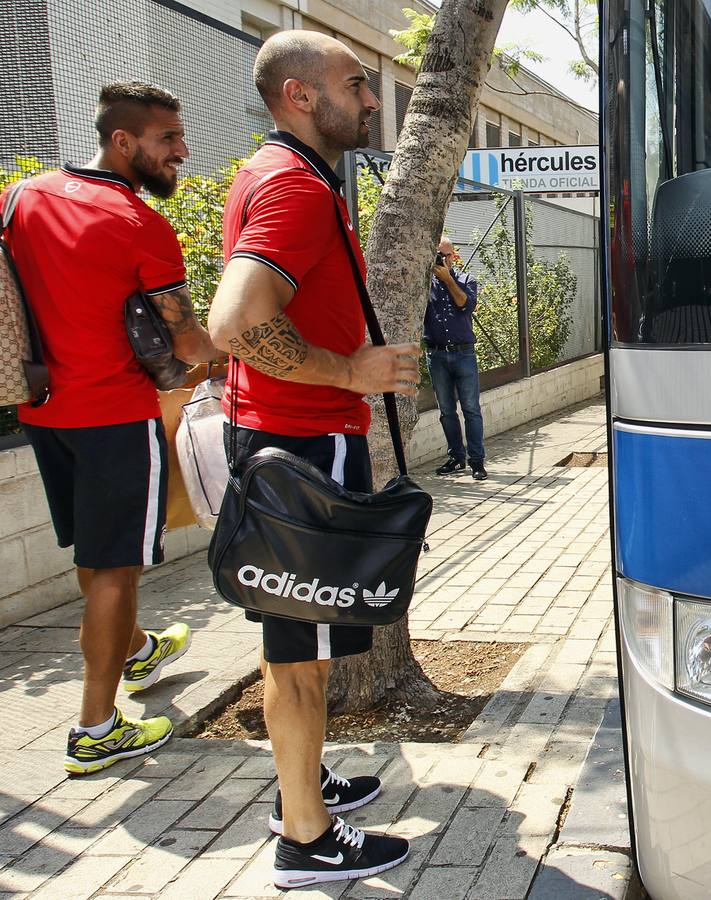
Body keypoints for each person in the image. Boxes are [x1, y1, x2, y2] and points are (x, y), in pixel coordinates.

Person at [206, 31, 418, 889]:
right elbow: (234, 323)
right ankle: (305, 837)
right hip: (301, 446)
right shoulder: (294, 186)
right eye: (356, 85)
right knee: (302, 653)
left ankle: (305, 783)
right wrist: (350, 371)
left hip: (281, 440)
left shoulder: (273, 174)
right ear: (299, 95)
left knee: (292, 637)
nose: (371, 101)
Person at [2, 82, 215, 776]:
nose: (181, 150)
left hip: (43, 410)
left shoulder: (22, 198)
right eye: (167, 139)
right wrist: (240, 346)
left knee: (93, 558)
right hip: (116, 415)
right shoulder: (138, 225)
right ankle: (96, 727)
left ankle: (139, 649)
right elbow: (185, 344)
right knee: (117, 566)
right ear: (123, 141)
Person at [425, 236, 487, 480]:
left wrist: (447, 279)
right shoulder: (425, 285)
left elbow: (465, 304)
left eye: (446, 255)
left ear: (453, 256)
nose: (443, 259)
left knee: (471, 408)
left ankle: (477, 461)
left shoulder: (466, 280)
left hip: (464, 353)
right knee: (446, 410)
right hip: (436, 353)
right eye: (439, 256)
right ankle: (456, 457)